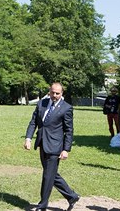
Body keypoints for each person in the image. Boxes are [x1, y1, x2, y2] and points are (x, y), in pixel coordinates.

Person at [24, 83, 80, 211]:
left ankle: (42, 205)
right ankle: (72, 196)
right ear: (49, 91)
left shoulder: (66, 108)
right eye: (52, 92)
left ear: (62, 94)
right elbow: (33, 122)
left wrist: (66, 149)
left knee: (47, 175)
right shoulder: (41, 104)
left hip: (55, 146)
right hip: (42, 144)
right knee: (51, 174)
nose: (54, 96)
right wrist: (28, 138)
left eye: (57, 93)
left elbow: (69, 131)